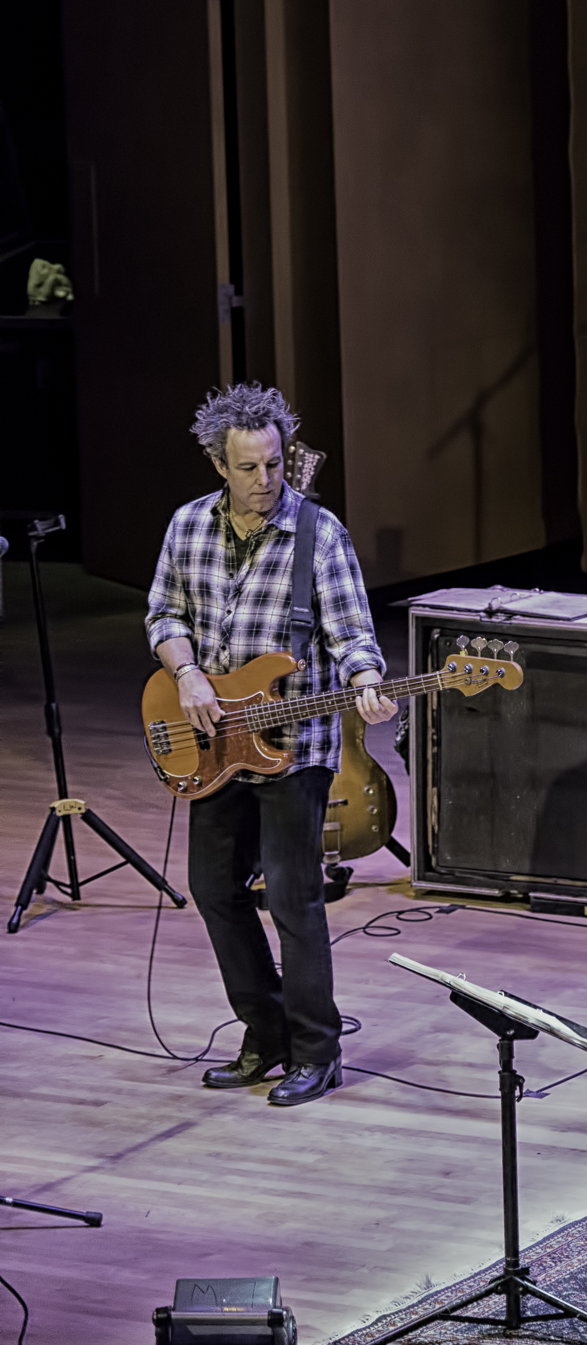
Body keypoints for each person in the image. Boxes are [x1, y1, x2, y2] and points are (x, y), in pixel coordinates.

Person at [146, 384, 394, 1107]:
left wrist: (368, 679)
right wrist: (186, 673)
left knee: (294, 897)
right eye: (249, 468)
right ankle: (266, 1034)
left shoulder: (318, 533)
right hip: (211, 740)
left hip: (297, 744)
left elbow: (352, 631)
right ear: (219, 465)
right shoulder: (187, 527)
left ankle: (318, 1052)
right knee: (214, 891)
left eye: (275, 465)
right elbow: (162, 611)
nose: (265, 481)